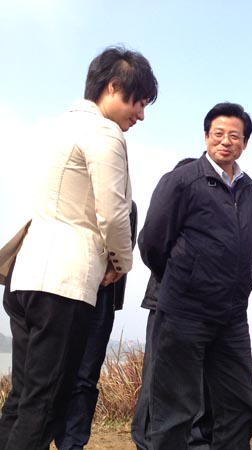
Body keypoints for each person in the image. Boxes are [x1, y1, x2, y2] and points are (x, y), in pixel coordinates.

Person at [0, 46, 157, 450]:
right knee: (45, 404)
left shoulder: (56, 127)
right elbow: (113, 214)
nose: (140, 115)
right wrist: (121, 263)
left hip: (25, 276)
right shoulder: (104, 133)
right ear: (114, 86)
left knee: (22, 397)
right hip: (64, 283)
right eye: (139, 102)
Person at [138, 102, 252, 450]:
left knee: (241, 406)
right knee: (175, 410)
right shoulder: (182, 180)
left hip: (232, 313)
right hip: (185, 310)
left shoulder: (248, 187)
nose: (226, 141)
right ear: (206, 137)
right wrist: (183, 277)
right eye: (218, 134)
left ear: (245, 143)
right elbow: (152, 242)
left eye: (234, 136)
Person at [131, 159, 212, 450]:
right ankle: (146, 440)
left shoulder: (211, 212)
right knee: (157, 375)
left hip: (203, 307)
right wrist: (175, 279)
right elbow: (150, 244)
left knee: (197, 379)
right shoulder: (169, 204)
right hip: (165, 301)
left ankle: (193, 439)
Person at [55, 203, 138, 450]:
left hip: (103, 294)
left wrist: (116, 267)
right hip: (62, 288)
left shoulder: (127, 204)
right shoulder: (66, 195)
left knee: (85, 377)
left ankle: (72, 445)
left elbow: (126, 245)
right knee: (49, 374)